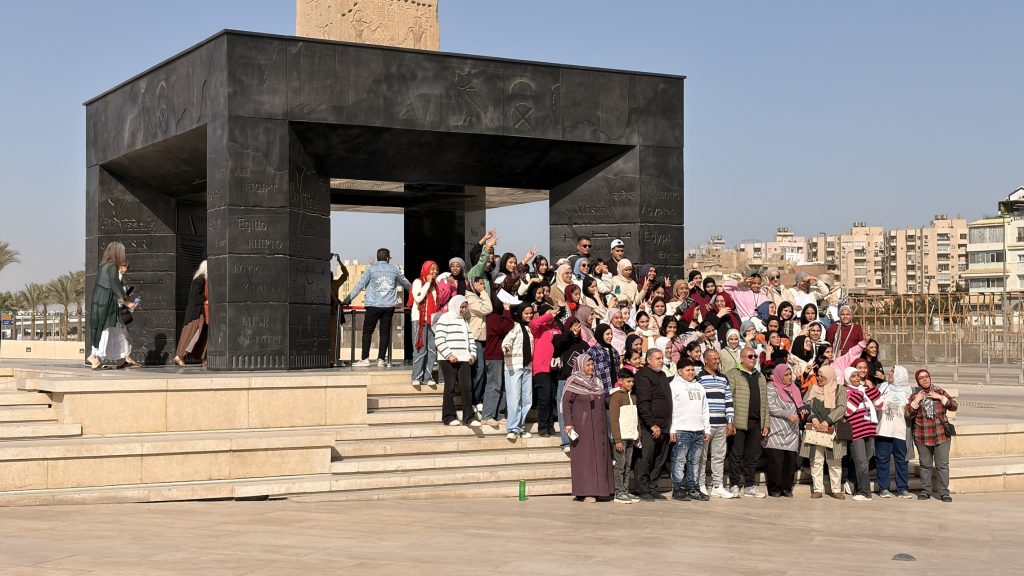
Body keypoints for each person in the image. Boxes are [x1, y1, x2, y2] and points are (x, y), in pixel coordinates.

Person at [340, 248, 411, 369]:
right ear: (388, 258)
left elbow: (359, 285)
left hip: (373, 306)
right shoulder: (394, 269)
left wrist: (347, 300)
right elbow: (407, 285)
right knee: (384, 333)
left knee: (367, 332)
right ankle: (381, 360)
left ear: (378, 258)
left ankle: (365, 359)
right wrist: (419, 296)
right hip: (388, 306)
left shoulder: (371, 269)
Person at [562, 353, 615, 503]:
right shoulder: (573, 381)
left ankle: (603, 489)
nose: (591, 368)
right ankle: (586, 491)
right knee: (585, 459)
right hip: (582, 428)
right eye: (588, 365)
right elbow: (566, 405)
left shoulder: (597, 382)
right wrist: (568, 423)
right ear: (580, 366)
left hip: (599, 427)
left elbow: (605, 400)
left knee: (600, 456)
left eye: (592, 365)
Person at [906, 368, 958, 502]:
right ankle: (925, 490)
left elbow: (953, 406)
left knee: (942, 465)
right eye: (921, 378)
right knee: (925, 465)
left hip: (941, 435)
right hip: (922, 436)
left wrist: (940, 398)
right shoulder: (914, 396)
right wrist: (917, 401)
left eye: (926, 377)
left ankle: (944, 492)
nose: (925, 379)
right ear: (918, 381)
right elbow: (908, 414)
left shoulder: (939, 391)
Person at [725, 346, 769, 498]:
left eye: (755, 356)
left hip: (756, 422)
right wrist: (729, 421)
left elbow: (765, 402)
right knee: (736, 455)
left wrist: (766, 423)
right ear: (741, 358)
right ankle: (734, 484)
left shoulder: (760, 376)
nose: (753, 359)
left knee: (752, 456)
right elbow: (728, 399)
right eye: (750, 356)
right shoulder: (733, 374)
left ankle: (750, 485)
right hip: (739, 422)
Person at [802, 359, 848, 499]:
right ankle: (818, 489)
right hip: (815, 429)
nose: (819, 378)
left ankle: (836, 489)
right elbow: (805, 405)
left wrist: (827, 421)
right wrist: (813, 418)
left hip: (831, 428)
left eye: (822, 376)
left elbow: (842, 407)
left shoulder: (840, 389)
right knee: (816, 460)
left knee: (834, 461)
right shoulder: (813, 389)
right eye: (818, 376)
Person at [87, 242, 137, 369]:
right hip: (107, 301)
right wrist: (127, 302)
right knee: (106, 327)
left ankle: (98, 357)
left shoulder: (104, 265)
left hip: (98, 300)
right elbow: (115, 286)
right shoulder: (113, 266)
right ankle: (96, 357)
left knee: (102, 327)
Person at [695, 349, 736, 499]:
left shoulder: (723, 378)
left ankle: (718, 485)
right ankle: (700, 484)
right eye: (714, 359)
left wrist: (730, 421)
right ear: (706, 360)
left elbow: (728, 400)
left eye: (718, 359)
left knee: (719, 456)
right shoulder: (698, 377)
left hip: (721, 424)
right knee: (702, 456)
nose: (717, 361)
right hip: (706, 425)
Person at [633, 349, 673, 501]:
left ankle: (653, 487)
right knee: (646, 458)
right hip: (650, 426)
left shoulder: (662, 375)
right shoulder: (643, 376)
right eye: (657, 358)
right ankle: (642, 489)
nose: (661, 361)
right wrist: (651, 424)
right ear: (648, 360)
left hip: (664, 424)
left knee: (660, 459)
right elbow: (643, 403)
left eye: (662, 358)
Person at [434, 295, 481, 427]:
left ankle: (469, 417)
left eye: (465, 307)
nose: (463, 309)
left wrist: (472, 354)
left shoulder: (463, 321)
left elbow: (470, 339)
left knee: (467, 387)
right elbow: (439, 339)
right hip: (448, 359)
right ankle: (448, 416)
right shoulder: (445, 318)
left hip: (464, 358)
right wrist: (449, 354)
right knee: (449, 387)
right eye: (461, 306)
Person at [668, 359, 711, 502]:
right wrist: (672, 429)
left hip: (698, 430)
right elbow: (671, 409)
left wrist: (707, 428)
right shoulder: (673, 386)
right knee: (680, 460)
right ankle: (678, 488)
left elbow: (705, 409)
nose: (691, 372)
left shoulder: (700, 387)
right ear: (679, 372)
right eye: (687, 370)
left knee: (695, 461)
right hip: (682, 429)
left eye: (692, 370)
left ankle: (693, 488)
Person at [764, 364, 807, 497]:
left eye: (790, 374)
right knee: (776, 462)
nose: (789, 377)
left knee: (790, 462)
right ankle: (774, 488)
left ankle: (786, 487)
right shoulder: (772, 387)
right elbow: (770, 406)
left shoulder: (795, 388)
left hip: (792, 431)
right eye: (786, 375)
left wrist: (803, 410)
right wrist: (786, 414)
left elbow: (799, 405)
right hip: (776, 430)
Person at [844, 365, 883, 501]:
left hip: (869, 429)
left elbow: (879, 404)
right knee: (860, 461)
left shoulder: (865, 389)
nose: (856, 378)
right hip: (856, 431)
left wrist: (871, 388)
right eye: (852, 376)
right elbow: (847, 411)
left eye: (857, 375)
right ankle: (864, 492)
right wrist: (858, 396)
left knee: (866, 460)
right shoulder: (846, 391)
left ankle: (852, 482)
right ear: (847, 379)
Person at [875, 365, 914, 499]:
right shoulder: (882, 387)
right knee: (882, 460)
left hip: (901, 432)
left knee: (902, 460)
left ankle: (902, 488)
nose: (889, 374)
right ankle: (884, 488)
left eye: (893, 372)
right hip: (883, 430)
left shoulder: (909, 391)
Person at [554, 316, 590, 452]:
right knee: (564, 411)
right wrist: (570, 333)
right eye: (573, 326)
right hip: (565, 381)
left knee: (580, 412)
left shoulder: (584, 345)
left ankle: (578, 440)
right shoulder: (561, 341)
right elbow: (558, 343)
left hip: (581, 382)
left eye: (578, 326)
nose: (576, 329)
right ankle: (566, 441)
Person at [407, 261, 445, 384]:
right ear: (426, 269)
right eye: (432, 269)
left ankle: (428, 377)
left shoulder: (435, 285)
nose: (434, 272)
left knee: (432, 349)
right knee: (420, 348)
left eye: (436, 270)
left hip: (432, 320)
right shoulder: (418, 282)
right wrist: (427, 283)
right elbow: (418, 298)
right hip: (420, 319)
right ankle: (417, 377)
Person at [502, 303, 535, 438]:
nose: (529, 316)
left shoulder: (530, 328)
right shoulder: (515, 326)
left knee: (527, 398)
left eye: (530, 313)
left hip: (527, 366)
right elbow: (507, 341)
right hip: (514, 366)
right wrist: (506, 348)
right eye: (526, 313)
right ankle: (513, 428)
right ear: (521, 313)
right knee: (514, 398)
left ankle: (521, 426)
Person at [529, 307, 562, 437]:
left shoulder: (557, 328)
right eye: (549, 314)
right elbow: (533, 323)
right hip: (541, 368)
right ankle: (542, 427)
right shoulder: (539, 328)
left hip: (554, 368)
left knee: (552, 397)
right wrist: (547, 315)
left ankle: (549, 425)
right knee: (545, 397)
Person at [609, 369, 640, 503]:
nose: (631, 384)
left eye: (632, 381)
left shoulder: (633, 397)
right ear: (620, 381)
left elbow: (635, 418)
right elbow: (614, 420)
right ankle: (619, 492)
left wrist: (637, 434)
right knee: (620, 465)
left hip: (631, 436)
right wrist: (617, 440)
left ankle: (626, 490)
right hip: (620, 437)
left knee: (628, 465)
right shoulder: (616, 397)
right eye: (628, 381)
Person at [465, 275, 493, 418]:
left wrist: (483, 293)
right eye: (479, 284)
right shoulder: (469, 297)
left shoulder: (482, 296)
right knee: (479, 369)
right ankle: (474, 400)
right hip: (475, 338)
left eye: (483, 284)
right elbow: (487, 309)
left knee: (483, 370)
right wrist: (482, 292)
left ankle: (479, 398)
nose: (482, 286)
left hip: (485, 339)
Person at [172, 260, 208, 368]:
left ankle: (202, 358)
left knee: (199, 334)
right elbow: (195, 296)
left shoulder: (198, 278)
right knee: (192, 334)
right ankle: (179, 356)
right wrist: (205, 300)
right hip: (196, 312)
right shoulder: (200, 279)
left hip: (197, 312)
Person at [328, 254, 350, 365]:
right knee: (334, 336)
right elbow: (345, 274)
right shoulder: (334, 284)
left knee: (333, 336)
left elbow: (345, 275)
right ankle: (334, 358)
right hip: (333, 312)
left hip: (333, 312)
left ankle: (333, 358)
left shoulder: (333, 284)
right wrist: (339, 262)